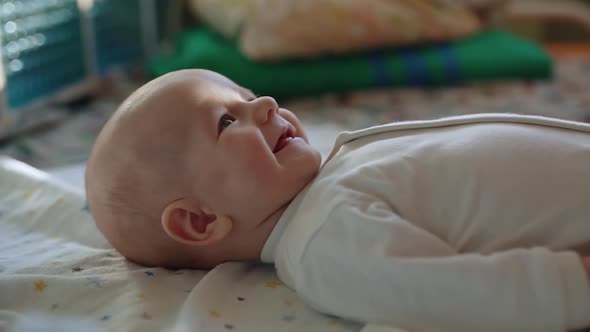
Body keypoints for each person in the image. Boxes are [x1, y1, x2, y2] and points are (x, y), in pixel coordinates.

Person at [85, 69, 590, 331]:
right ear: (199, 220)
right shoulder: (322, 243)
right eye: (225, 121)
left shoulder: (328, 184)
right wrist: (571, 285)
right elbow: (455, 296)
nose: (265, 104)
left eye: (247, 94)